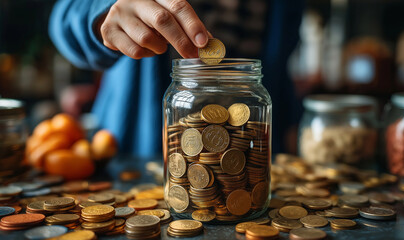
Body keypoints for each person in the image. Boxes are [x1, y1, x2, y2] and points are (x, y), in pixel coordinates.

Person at [49, 0, 303, 158]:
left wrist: (291, 126)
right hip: (137, 147)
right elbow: (64, 16)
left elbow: (277, 66)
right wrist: (104, 13)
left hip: (252, 151)